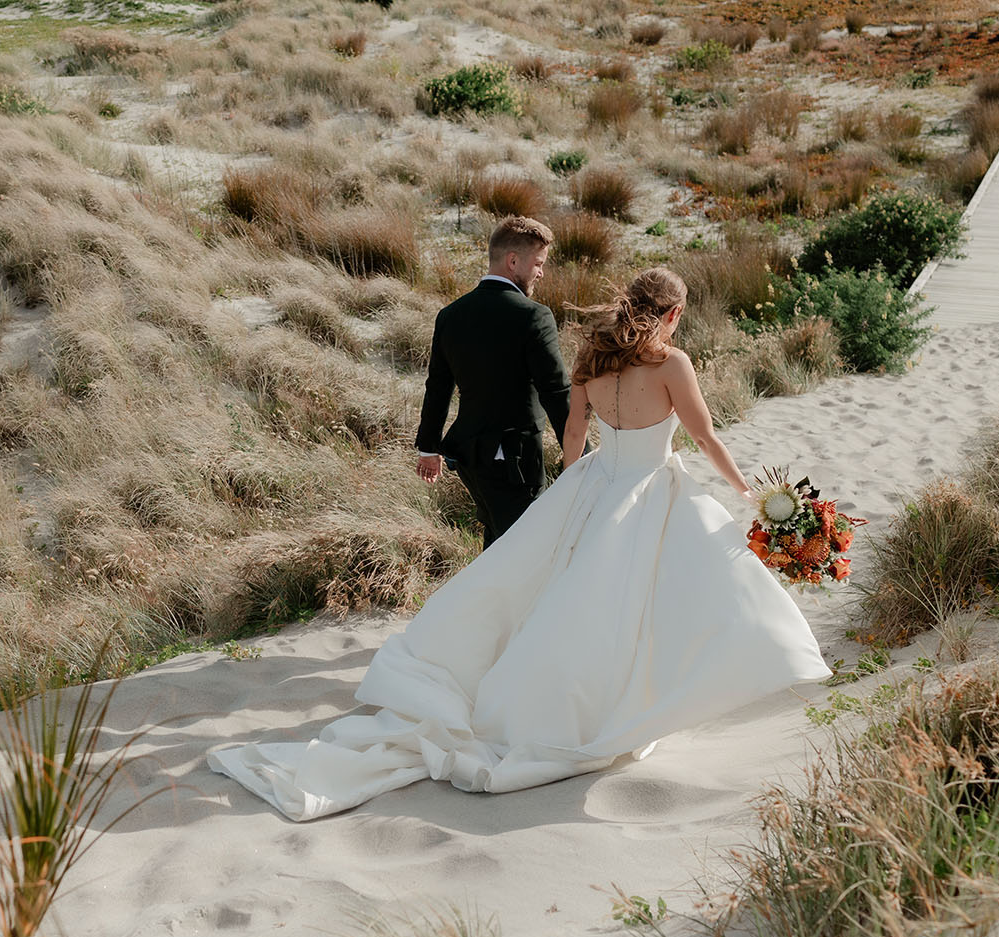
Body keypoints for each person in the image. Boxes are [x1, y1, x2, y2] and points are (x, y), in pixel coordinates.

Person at [208, 267, 831, 822]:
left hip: (595, 483)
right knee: (666, 593)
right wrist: (750, 492)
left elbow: (575, 430)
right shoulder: (673, 364)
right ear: (673, 313)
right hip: (652, 488)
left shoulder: (593, 355)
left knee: (576, 596)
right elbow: (706, 438)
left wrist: (578, 488)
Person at [414, 216, 570, 548]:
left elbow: (438, 386)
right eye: (538, 263)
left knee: (498, 543)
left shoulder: (451, 315)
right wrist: (581, 455)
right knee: (526, 550)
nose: (541, 272)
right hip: (514, 461)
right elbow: (555, 391)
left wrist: (429, 448)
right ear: (513, 261)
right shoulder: (534, 316)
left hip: (470, 458)